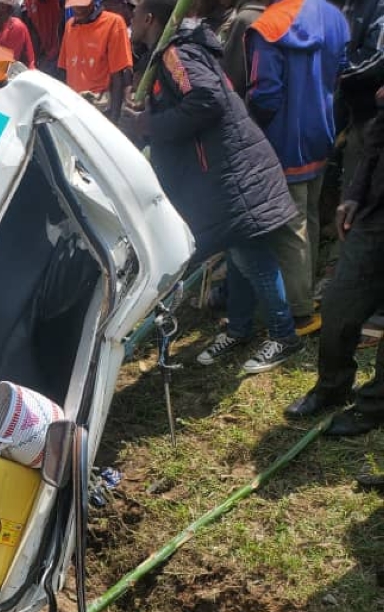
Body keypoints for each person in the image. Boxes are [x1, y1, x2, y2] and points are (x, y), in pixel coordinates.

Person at [120, 0, 302, 373]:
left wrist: (148, 126)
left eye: (136, 12)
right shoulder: (164, 58)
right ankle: (239, 328)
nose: (131, 18)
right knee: (238, 256)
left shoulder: (176, 54)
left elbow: (207, 100)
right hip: (218, 177)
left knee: (253, 258)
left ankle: (285, 337)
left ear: (151, 18)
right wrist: (146, 116)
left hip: (229, 175)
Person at [245, 0, 349, 336]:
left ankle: (299, 311)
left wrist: (249, 133)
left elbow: (265, 94)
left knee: (290, 228)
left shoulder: (268, 27)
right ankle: (307, 293)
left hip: (283, 142)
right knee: (310, 217)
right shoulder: (333, 16)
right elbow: (342, 70)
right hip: (321, 132)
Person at [286, 87, 384, 436]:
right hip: (376, 216)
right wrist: (356, 194)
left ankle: (372, 406)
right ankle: (333, 385)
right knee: (339, 306)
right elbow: (377, 136)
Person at [59, 0, 135, 121]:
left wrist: (114, 120)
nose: (78, 9)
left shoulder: (113, 23)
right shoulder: (69, 26)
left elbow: (118, 76)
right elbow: (64, 70)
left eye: (82, 5)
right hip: (73, 105)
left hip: (99, 108)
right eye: (74, 5)